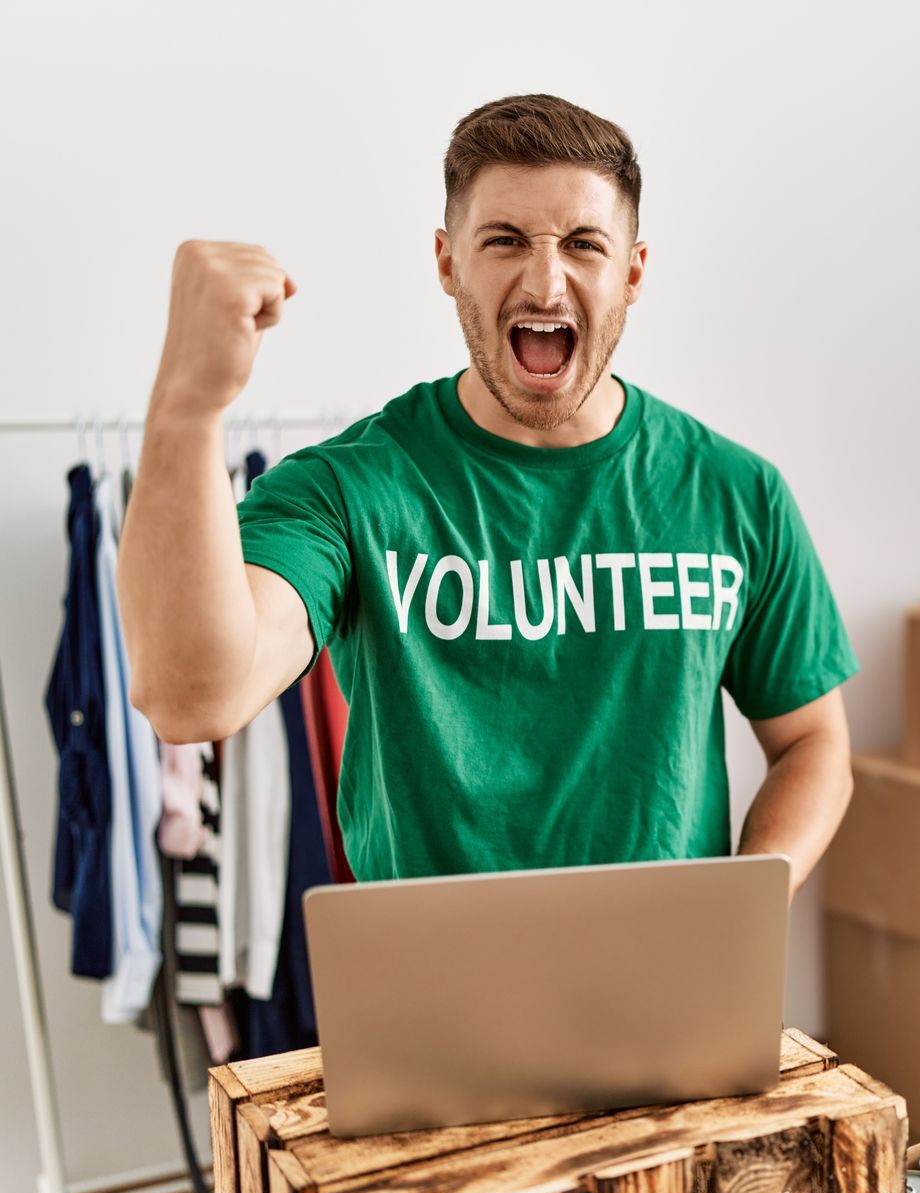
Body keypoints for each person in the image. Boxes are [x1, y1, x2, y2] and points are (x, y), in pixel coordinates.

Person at [119, 94, 857, 898]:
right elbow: (191, 698)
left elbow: (813, 742)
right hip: (428, 1010)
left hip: (667, 1006)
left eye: (583, 243)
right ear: (447, 261)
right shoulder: (345, 490)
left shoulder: (736, 493)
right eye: (504, 241)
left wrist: (741, 906)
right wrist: (189, 405)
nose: (545, 281)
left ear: (633, 271)